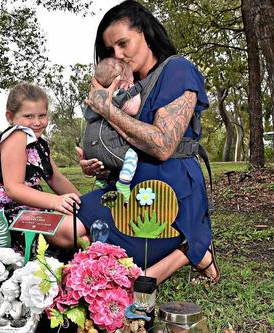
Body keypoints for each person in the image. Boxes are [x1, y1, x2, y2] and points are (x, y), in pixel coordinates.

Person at [56, 0, 219, 285]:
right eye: (110, 50)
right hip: (129, 185)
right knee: (63, 229)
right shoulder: (124, 87)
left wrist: (107, 109)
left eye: (123, 43)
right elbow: (125, 148)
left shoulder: (177, 70)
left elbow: (163, 145)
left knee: (134, 278)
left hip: (170, 184)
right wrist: (100, 165)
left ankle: (190, 246)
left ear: (143, 31)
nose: (117, 55)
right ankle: (185, 249)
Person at [0, 83, 81, 252]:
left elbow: (55, 177)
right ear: (10, 117)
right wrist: (56, 201)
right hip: (4, 215)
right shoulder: (16, 136)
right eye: (29, 116)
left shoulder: (40, 142)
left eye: (42, 115)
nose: (37, 122)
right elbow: (13, 188)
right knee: (74, 230)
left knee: (84, 224)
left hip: (29, 208)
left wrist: (81, 202)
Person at [85, 57, 141, 203]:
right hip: (106, 144)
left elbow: (88, 115)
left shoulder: (94, 99)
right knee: (131, 156)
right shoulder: (118, 96)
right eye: (131, 81)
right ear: (122, 83)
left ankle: (101, 181)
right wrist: (136, 91)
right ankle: (123, 184)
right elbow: (133, 109)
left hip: (90, 149)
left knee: (103, 163)